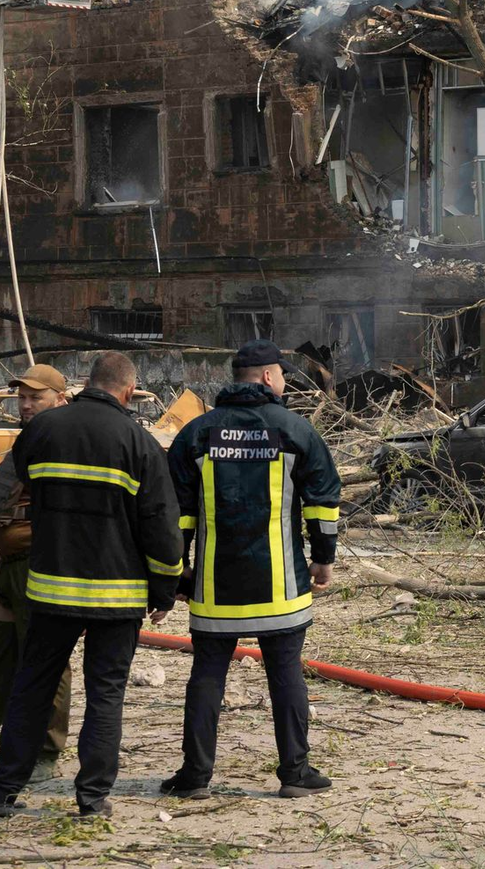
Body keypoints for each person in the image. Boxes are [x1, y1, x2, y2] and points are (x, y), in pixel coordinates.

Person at [0, 352, 182, 819]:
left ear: (87, 384)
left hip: (50, 589)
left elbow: (22, 479)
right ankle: (92, 797)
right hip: (117, 596)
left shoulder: (41, 430)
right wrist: (165, 589)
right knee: (106, 693)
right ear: (129, 390)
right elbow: (161, 527)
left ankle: (4, 788)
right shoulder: (139, 443)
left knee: (32, 686)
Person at [162, 339, 340, 801]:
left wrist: (179, 571)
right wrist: (324, 559)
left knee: (207, 675)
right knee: (286, 674)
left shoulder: (196, 433)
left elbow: (177, 513)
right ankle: (295, 773)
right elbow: (322, 502)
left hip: (214, 588)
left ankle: (195, 777)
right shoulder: (296, 430)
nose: (284, 383)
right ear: (267, 377)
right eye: (281, 375)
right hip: (281, 586)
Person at [0, 365, 72, 783]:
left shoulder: (63, 440)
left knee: (47, 655)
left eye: (35, 398)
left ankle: (46, 749)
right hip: (7, 562)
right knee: (8, 651)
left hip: (38, 562)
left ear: (60, 399)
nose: (25, 405)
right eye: (22, 398)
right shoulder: (28, 438)